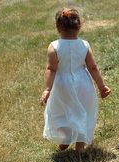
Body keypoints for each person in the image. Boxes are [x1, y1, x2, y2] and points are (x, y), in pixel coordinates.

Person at [40, 8, 111, 153]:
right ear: (80, 26)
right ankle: (80, 146)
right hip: (83, 84)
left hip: (62, 86)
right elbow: (93, 67)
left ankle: (65, 140)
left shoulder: (54, 46)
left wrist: (47, 89)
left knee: (63, 112)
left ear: (58, 27)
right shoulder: (84, 45)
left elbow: (51, 69)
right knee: (82, 112)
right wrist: (101, 86)